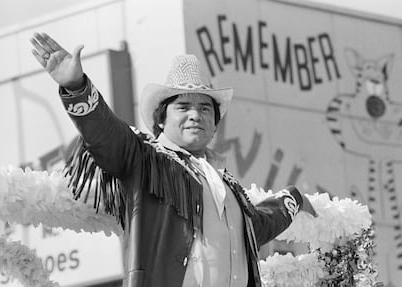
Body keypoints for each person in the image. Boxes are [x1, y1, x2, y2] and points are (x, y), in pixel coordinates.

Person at [30, 32, 316, 287]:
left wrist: (292, 198)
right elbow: (105, 133)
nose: (196, 115)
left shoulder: (226, 185)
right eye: (183, 106)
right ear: (161, 120)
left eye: (205, 108)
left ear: (215, 124)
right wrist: (76, 86)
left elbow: (256, 226)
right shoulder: (145, 159)